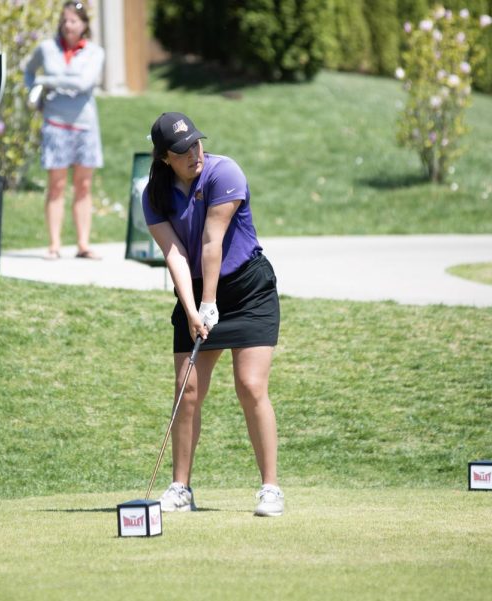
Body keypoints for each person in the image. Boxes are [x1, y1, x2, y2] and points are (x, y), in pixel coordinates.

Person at [141, 112, 284, 517]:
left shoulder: (225, 173)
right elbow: (175, 254)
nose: (195, 154)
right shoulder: (155, 194)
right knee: (187, 391)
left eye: (197, 144)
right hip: (197, 290)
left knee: (250, 385)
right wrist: (191, 310)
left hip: (247, 289)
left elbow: (211, 241)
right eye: (184, 150)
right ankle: (180, 487)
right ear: (166, 156)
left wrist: (209, 303)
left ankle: (270, 488)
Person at [23, 1, 105, 260]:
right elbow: (28, 70)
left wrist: (45, 81)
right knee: (56, 186)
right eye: (65, 20)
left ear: (84, 25)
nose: (69, 25)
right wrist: (34, 95)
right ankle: (54, 245)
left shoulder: (95, 52)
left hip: (85, 126)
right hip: (55, 125)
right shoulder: (46, 49)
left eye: (74, 21)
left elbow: (83, 83)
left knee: (83, 185)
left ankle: (83, 244)